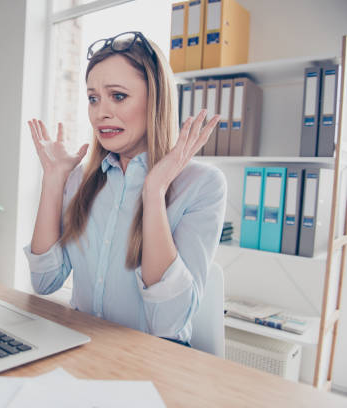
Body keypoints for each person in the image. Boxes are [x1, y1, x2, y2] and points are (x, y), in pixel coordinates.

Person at [24, 32, 226, 346]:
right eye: (93, 98)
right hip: (84, 347)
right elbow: (44, 281)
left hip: (152, 359)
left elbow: (169, 322)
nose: (100, 113)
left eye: (118, 96)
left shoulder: (202, 184)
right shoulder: (80, 181)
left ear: (154, 102)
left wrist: (154, 191)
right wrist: (53, 180)